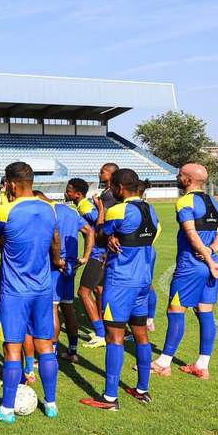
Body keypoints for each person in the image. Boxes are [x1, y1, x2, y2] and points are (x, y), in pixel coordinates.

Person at [0, 162, 63, 422]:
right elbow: (54, 243)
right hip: (42, 288)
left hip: (15, 291)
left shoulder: (4, 210)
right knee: (45, 346)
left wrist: (5, 240)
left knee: (12, 348)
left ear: (12, 184)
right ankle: (50, 404)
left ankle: (6, 410)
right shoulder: (50, 209)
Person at [80, 168, 160, 410]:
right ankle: (142, 389)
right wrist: (117, 237)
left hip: (120, 282)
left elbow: (101, 232)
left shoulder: (118, 209)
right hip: (143, 282)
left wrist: (108, 229)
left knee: (114, 337)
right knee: (141, 336)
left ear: (119, 188)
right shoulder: (150, 210)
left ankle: (109, 398)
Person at [152, 164, 218, 380]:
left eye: (180, 174)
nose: (177, 176)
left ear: (188, 179)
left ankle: (163, 363)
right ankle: (202, 366)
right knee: (205, 313)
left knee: (175, 311)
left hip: (191, 267)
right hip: (210, 263)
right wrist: (211, 255)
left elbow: (191, 234)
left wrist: (204, 257)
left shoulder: (185, 201)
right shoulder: (213, 202)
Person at [37, 190, 94, 363]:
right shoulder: (69, 211)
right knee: (68, 307)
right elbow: (89, 231)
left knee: (53, 308)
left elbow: (52, 238)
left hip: (55, 265)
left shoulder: (46, 212)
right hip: (71, 265)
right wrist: (85, 257)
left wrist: (55, 259)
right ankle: (72, 351)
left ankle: (51, 354)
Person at [76, 164, 119, 348]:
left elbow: (103, 222)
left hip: (101, 252)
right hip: (104, 250)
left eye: (103, 171)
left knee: (83, 292)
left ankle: (101, 333)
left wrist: (98, 207)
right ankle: (106, 328)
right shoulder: (109, 193)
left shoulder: (109, 195)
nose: (99, 173)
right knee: (99, 290)